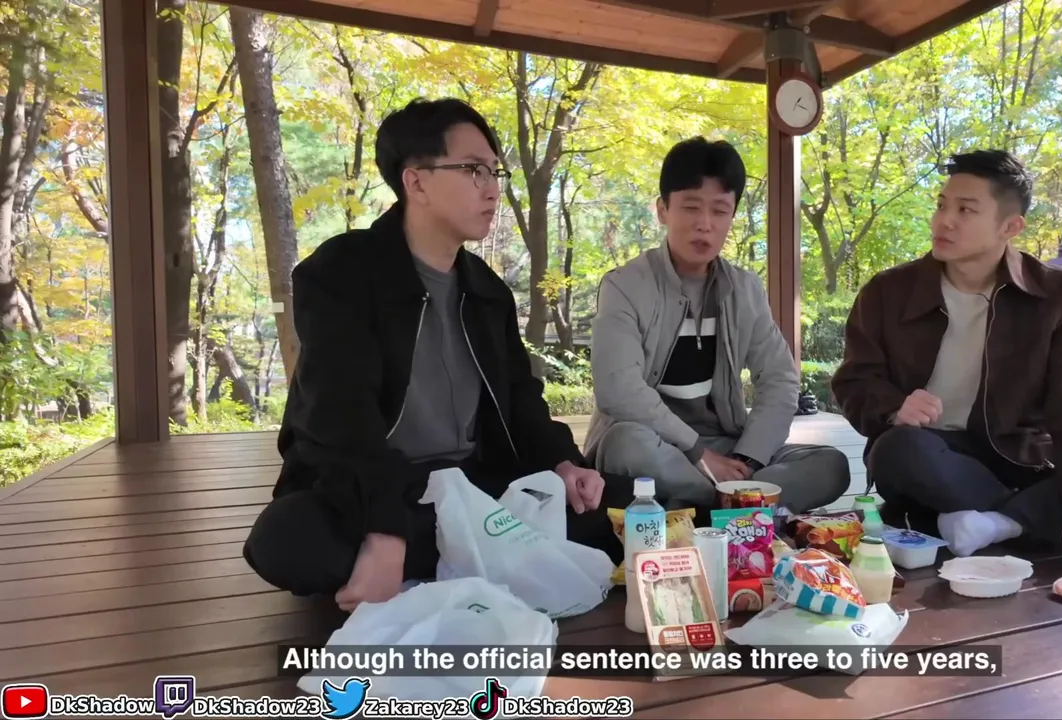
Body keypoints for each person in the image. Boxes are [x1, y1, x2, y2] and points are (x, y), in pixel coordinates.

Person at [242, 98, 629, 611]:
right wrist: (384, 527)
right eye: (472, 170)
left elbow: (520, 397)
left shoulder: (486, 290)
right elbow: (339, 415)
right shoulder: (340, 274)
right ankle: (475, 553)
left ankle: (445, 557)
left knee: (622, 501)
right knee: (288, 540)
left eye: (495, 172)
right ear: (416, 182)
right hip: (374, 483)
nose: (491, 188)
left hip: (471, 482)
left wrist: (562, 462)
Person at [830, 149, 1062, 570]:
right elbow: (855, 380)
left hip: (1026, 457)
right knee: (897, 449)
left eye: (965, 210)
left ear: (1010, 226)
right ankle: (1044, 516)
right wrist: (894, 407)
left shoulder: (1060, 296)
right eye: (942, 205)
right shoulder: (887, 292)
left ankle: (998, 524)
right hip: (937, 456)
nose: (944, 220)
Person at [584, 137, 850, 514]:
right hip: (655, 445)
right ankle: (739, 508)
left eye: (720, 211)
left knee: (830, 464)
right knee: (626, 445)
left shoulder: (744, 289)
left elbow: (779, 380)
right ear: (663, 210)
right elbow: (618, 390)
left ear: (732, 216)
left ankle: (709, 505)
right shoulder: (625, 285)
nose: (705, 225)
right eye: (691, 207)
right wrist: (698, 454)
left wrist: (748, 459)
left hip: (725, 446)